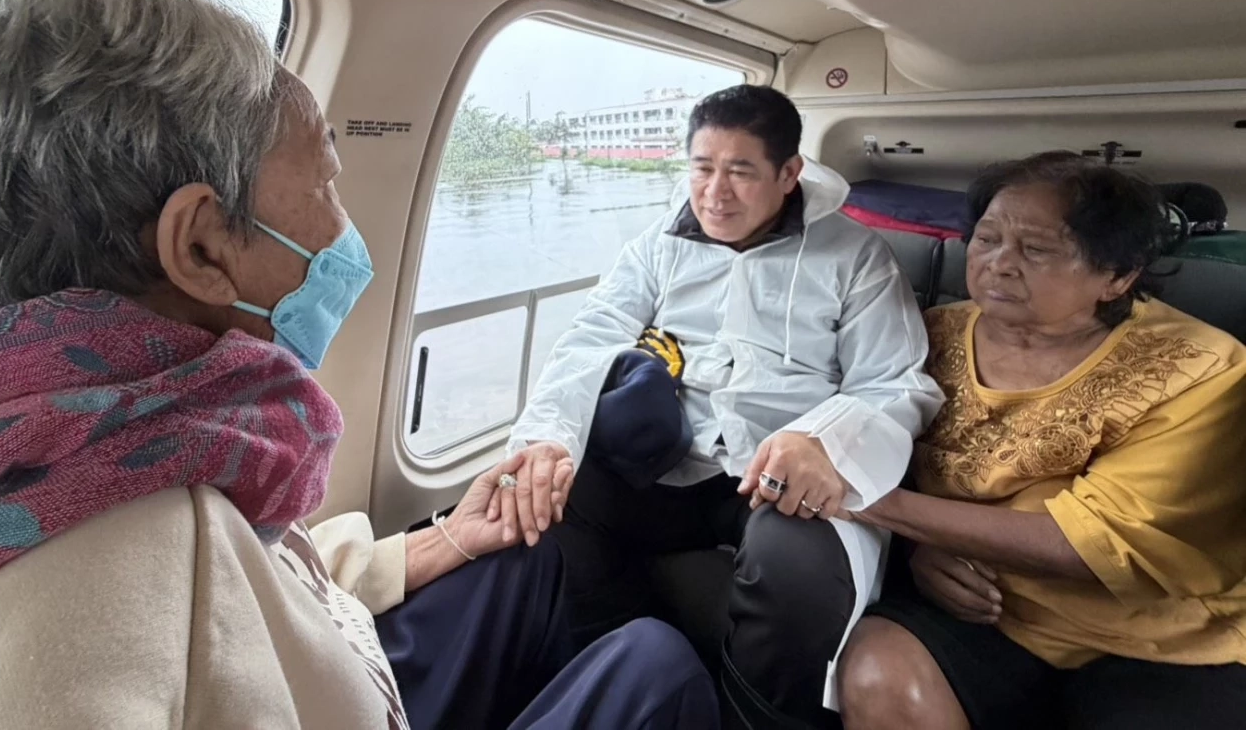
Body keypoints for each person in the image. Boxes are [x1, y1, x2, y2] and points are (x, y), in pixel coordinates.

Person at [0, 0, 719, 730]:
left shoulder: (85, 435)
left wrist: (445, 540)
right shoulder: (84, 613)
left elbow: (261, 578)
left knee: (523, 565)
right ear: (204, 248)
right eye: (323, 180)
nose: (344, 227)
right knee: (655, 666)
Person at [497, 84, 945, 727]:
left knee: (794, 572)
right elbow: (590, 339)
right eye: (702, 169)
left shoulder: (853, 257)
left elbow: (896, 382)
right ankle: (629, 682)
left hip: (778, 470)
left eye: (740, 172)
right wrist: (547, 440)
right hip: (670, 457)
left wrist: (824, 439)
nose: (714, 193)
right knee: (553, 502)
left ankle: (747, 717)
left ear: (789, 174)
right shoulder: (658, 244)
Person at [835, 152, 1246, 730]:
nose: (999, 264)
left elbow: (1095, 543)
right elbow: (884, 446)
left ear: (1117, 276)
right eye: (986, 239)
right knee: (877, 669)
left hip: (1163, 640)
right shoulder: (924, 334)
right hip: (985, 614)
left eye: (1036, 250)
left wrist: (874, 503)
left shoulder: (1201, 368)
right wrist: (915, 551)